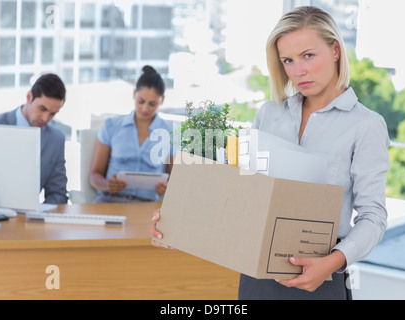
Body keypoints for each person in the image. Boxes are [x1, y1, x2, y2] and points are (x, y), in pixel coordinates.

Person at [149, 6, 390, 300]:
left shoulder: (366, 125)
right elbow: (242, 194)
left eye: (308, 55)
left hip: (320, 279)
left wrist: (333, 261)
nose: (298, 70)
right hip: (256, 278)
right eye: (288, 60)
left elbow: (373, 217)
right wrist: (182, 221)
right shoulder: (269, 114)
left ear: (336, 50)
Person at [0, 73, 68, 205]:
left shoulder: (56, 140)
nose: (45, 118)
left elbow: (58, 193)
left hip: (27, 219)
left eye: (52, 113)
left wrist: (39, 215)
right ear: (29, 97)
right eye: (42, 108)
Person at [89, 65, 174, 203]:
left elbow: (174, 179)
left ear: (162, 100)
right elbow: (94, 176)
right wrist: (106, 185)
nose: (145, 108)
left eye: (152, 104)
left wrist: (168, 188)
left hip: (147, 206)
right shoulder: (111, 126)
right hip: (110, 200)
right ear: (134, 94)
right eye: (140, 101)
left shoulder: (170, 132)